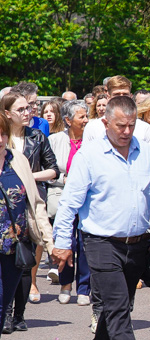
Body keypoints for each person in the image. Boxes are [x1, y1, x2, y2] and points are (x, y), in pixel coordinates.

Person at [52, 96, 150, 340]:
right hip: (100, 242)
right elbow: (70, 203)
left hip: (137, 242)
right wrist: (62, 242)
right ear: (106, 123)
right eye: (120, 125)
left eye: (131, 125)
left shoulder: (145, 152)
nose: (126, 131)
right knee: (116, 305)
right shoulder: (90, 155)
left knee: (120, 306)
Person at [1, 91, 59, 331]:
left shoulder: (21, 155)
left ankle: (18, 313)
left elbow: (36, 203)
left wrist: (50, 243)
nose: (0, 139)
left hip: (17, 239)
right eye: (21, 109)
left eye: (2, 134)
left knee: (6, 300)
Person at [47, 100, 92, 306]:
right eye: (81, 116)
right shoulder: (55, 140)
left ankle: (84, 288)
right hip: (62, 197)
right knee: (66, 242)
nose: (86, 120)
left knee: (84, 243)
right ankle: (65, 285)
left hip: (87, 200)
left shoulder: (93, 140)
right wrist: (63, 179)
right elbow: (49, 169)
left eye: (86, 116)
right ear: (67, 120)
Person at [83, 76, 150, 145]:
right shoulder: (93, 128)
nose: (121, 98)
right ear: (108, 96)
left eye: (125, 94)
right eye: (116, 95)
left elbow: (148, 155)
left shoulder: (144, 128)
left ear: (131, 96)